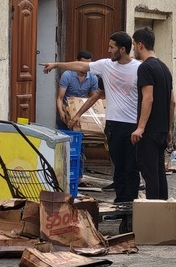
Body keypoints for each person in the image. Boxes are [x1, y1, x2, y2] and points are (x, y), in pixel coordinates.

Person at [42, 32, 141, 204]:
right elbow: (80, 66)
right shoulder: (106, 66)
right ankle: (120, 202)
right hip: (114, 124)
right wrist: (56, 64)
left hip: (133, 124)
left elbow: (148, 96)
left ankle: (132, 204)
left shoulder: (139, 68)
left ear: (123, 49)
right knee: (118, 166)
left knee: (131, 168)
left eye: (112, 47)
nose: (108, 50)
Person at [131, 27, 175, 200]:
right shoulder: (164, 68)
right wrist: (169, 129)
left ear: (140, 45)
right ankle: (163, 212)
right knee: (159, 172)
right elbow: (172, 102)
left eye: (134, 45)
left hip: (149, 131)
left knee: (150, 175)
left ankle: (153, 215)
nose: (133, 49)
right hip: (162, 130)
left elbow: (147, 98)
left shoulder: (145, 68)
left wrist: (140, 127)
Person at [55, 50, 99, 130]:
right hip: (66, 111)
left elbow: (93, 98)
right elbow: (60, 98)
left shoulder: (93, 77)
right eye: (83, 64)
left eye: (88, 64)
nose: (85, 67)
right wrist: (61, 111)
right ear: (77, 62)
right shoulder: (67, 75)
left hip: (82, 111)